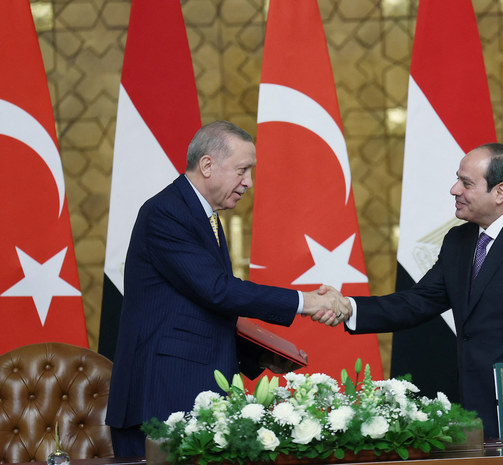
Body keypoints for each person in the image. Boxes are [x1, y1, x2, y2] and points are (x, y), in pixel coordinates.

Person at [106, 121, 348, 456]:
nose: (248, 183)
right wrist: (302, 301)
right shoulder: (166, 213)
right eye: (242, 170)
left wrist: (260, 355)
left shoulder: (204, 216)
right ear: (207, 165)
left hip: (188, 393)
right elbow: (218, 291)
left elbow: (200, 311)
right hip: (160, 396)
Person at [340, 143, 503, 439]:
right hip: (474, 412)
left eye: (466, 183)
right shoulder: (458, 240)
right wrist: (349, 308)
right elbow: (419, 301)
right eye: (457, 179)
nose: (454, 189)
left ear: (500, 192)